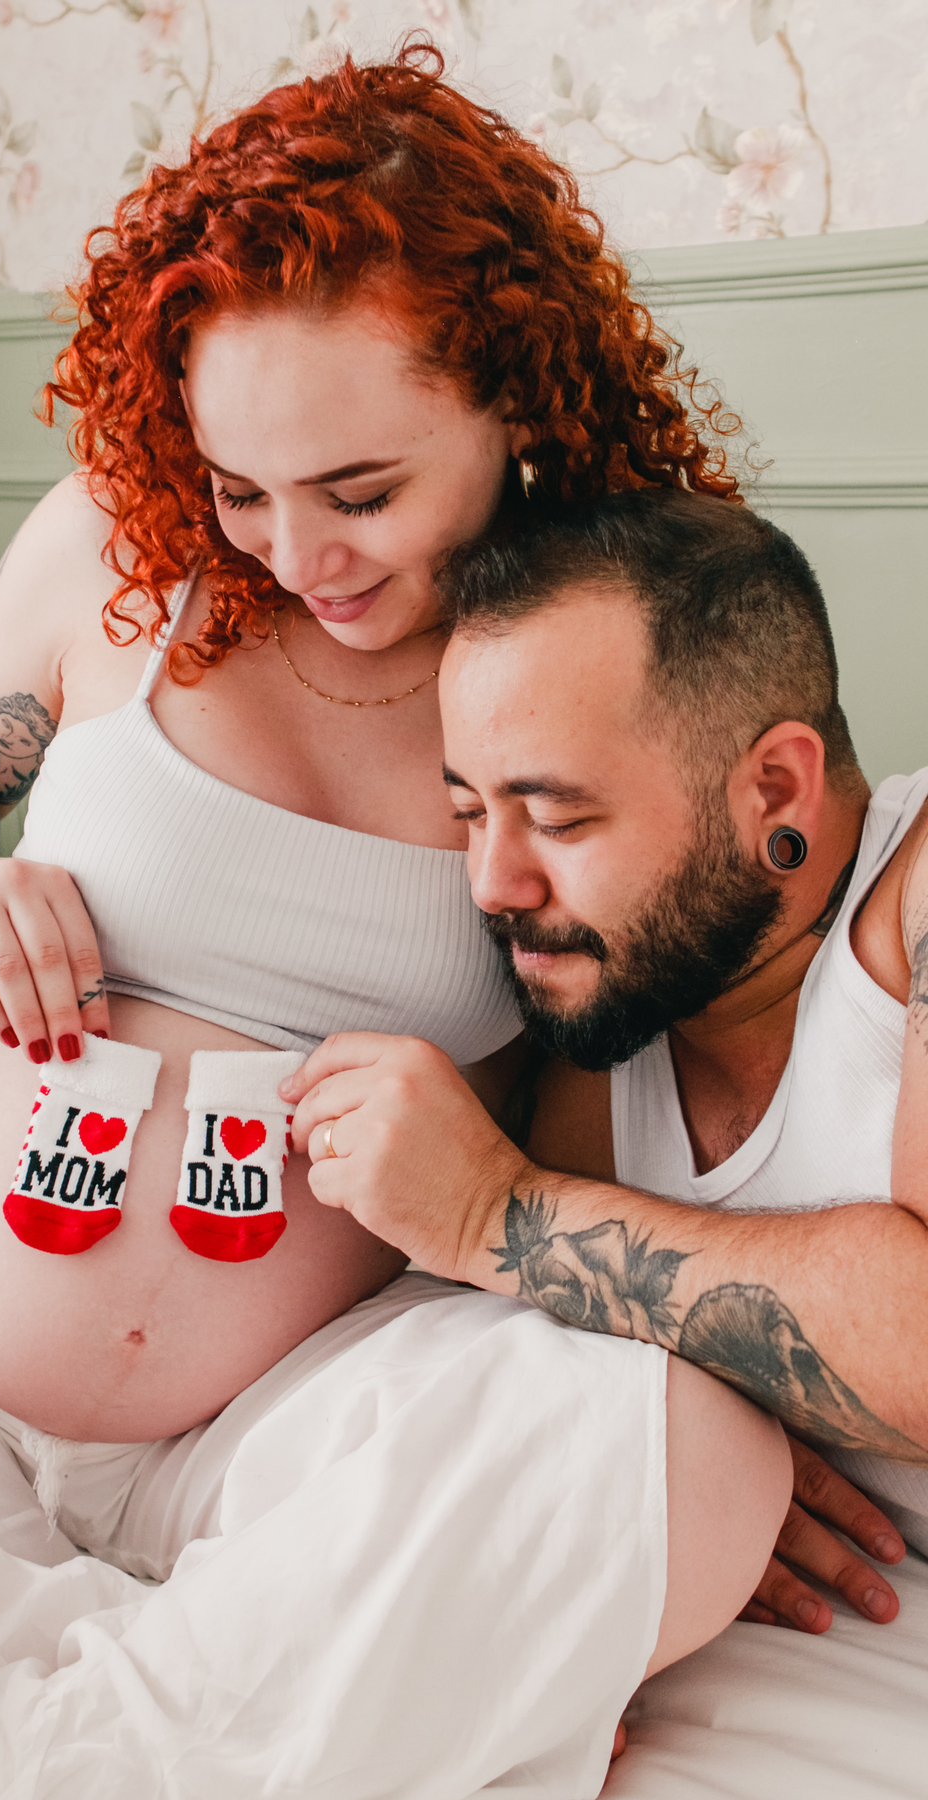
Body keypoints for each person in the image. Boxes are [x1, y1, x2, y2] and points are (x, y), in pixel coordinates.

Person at [0, 53, 802, 1799]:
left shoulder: (600, 655)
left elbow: (667, 1061)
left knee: (693, 1458)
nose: (296, 553)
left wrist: (646, 1426)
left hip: (286, 1413)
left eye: (360, 491)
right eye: (242, 486)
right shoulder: (118, 556)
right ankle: (183, 1679)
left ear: (515, 400)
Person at [284, 486, 928, 1794]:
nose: (494, 884)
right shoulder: (609, 1022)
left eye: (559, 818)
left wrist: (495, 1217)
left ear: (776, 788)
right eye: (471, 812)